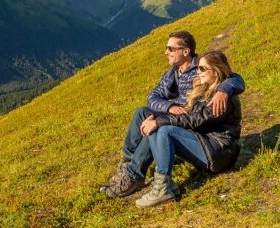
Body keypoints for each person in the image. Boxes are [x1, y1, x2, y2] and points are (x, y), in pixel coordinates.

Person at [100, 31, 244, 198]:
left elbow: (232, 77)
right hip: (186, 117)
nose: (166, 52)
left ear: (185, 51)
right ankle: (127, 166)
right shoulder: (174, 72)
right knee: (142, 113)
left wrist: (224, 89)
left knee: (156, 125)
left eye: (170, 48)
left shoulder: (202, 69)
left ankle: (135, 176)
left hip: (196, 126)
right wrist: (169, 107)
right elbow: (152, 97)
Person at [135, 50, 243, 208]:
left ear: (217, 70)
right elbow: (188, 112)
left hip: (220, 153)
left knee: (165, 129)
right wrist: (156, 118)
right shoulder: (205, 88)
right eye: (198, 68)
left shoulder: (223, 100)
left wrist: (160, 122)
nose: (198, 72)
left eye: (202, 69)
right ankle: (164, 184)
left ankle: (162, 188)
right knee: (156, 126)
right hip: (205, 144)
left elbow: (194, 120)